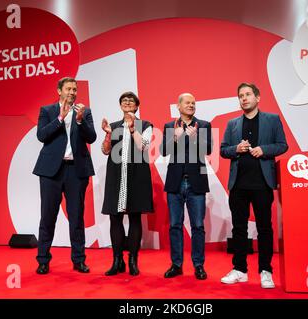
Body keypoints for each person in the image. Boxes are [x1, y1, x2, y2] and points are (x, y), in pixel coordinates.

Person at [220, 83, 288, 288]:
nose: (244, 98)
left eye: (248, 94)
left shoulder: (272, 120)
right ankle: (239, 269)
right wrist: (236, 148)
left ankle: (265, 271)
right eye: (241, 95)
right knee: (239, 228)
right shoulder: (232, 123)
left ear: (257, 97)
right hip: (238, 184)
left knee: (264, 228)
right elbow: (224, 150)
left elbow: (283, 145)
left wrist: (264, 150)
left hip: (262, 183)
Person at [33, 77, 96, 275]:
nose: (72, 92)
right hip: (51, 171)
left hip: (76, 171)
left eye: (74, 89)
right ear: (59, 91)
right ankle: (43, 260)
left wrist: (79, 120)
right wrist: (60, 119)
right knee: (48, 216)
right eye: (68, 89)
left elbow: (92, 137)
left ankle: (79, 260)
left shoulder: (84, 112)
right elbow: (41, 135)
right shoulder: (47, 111)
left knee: (76, 217)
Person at [160, 93, 213, 280]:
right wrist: (174, 138)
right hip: (175, 181)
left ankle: (198, 265)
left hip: (196, 181)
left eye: (193, 103)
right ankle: (176, 264)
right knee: (175, 225)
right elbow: (163, 151)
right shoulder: (169, 126)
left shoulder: (204, 125)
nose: (191, 105)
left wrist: (196, 138)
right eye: (187, 102)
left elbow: (208, 150)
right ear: (178, 106)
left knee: (198, 225)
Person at [101, 91, 154, 276]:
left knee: (134, 217)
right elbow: (106, 151)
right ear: (120, 105)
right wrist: (108, 135)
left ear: (137, 106)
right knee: (114, 218)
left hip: (136, 175)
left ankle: (132, 260)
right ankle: (117, 261)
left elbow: (143, 146)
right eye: (124, 100)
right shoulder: (113, 126)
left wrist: (132, 129)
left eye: (131, 100)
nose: (127, 102)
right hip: (116, 175)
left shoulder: (145, 125)